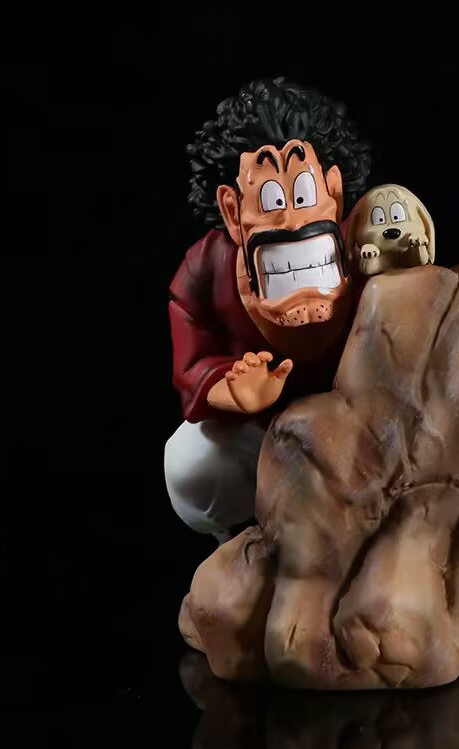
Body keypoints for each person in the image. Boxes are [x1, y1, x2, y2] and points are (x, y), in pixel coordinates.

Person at [164, 77, 372, 540]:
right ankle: (251, 542)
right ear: (232, 210)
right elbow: (191, 361)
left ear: (334, 192)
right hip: (262, 436)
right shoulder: (205, 271)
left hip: (362, 428)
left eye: (302, 194)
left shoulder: (363, 249)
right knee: (190, 465)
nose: (291, 221)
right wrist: (231, 389)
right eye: (273, 201)